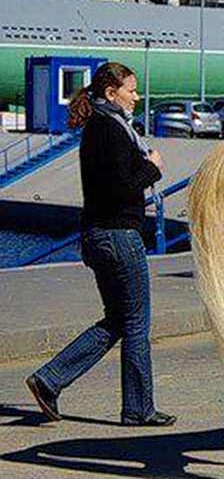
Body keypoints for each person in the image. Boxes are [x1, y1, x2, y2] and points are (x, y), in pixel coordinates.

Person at [25, 62, 176, 427]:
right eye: (131, 89)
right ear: (112, 93)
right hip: (118, 236)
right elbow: (121, 187)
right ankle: (138, 409)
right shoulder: (109, 128)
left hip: (101, 234)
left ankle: (49, 380)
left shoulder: (106, 126)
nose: (137, 97)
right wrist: (153, 167)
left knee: (119, 320)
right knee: (137, 323)